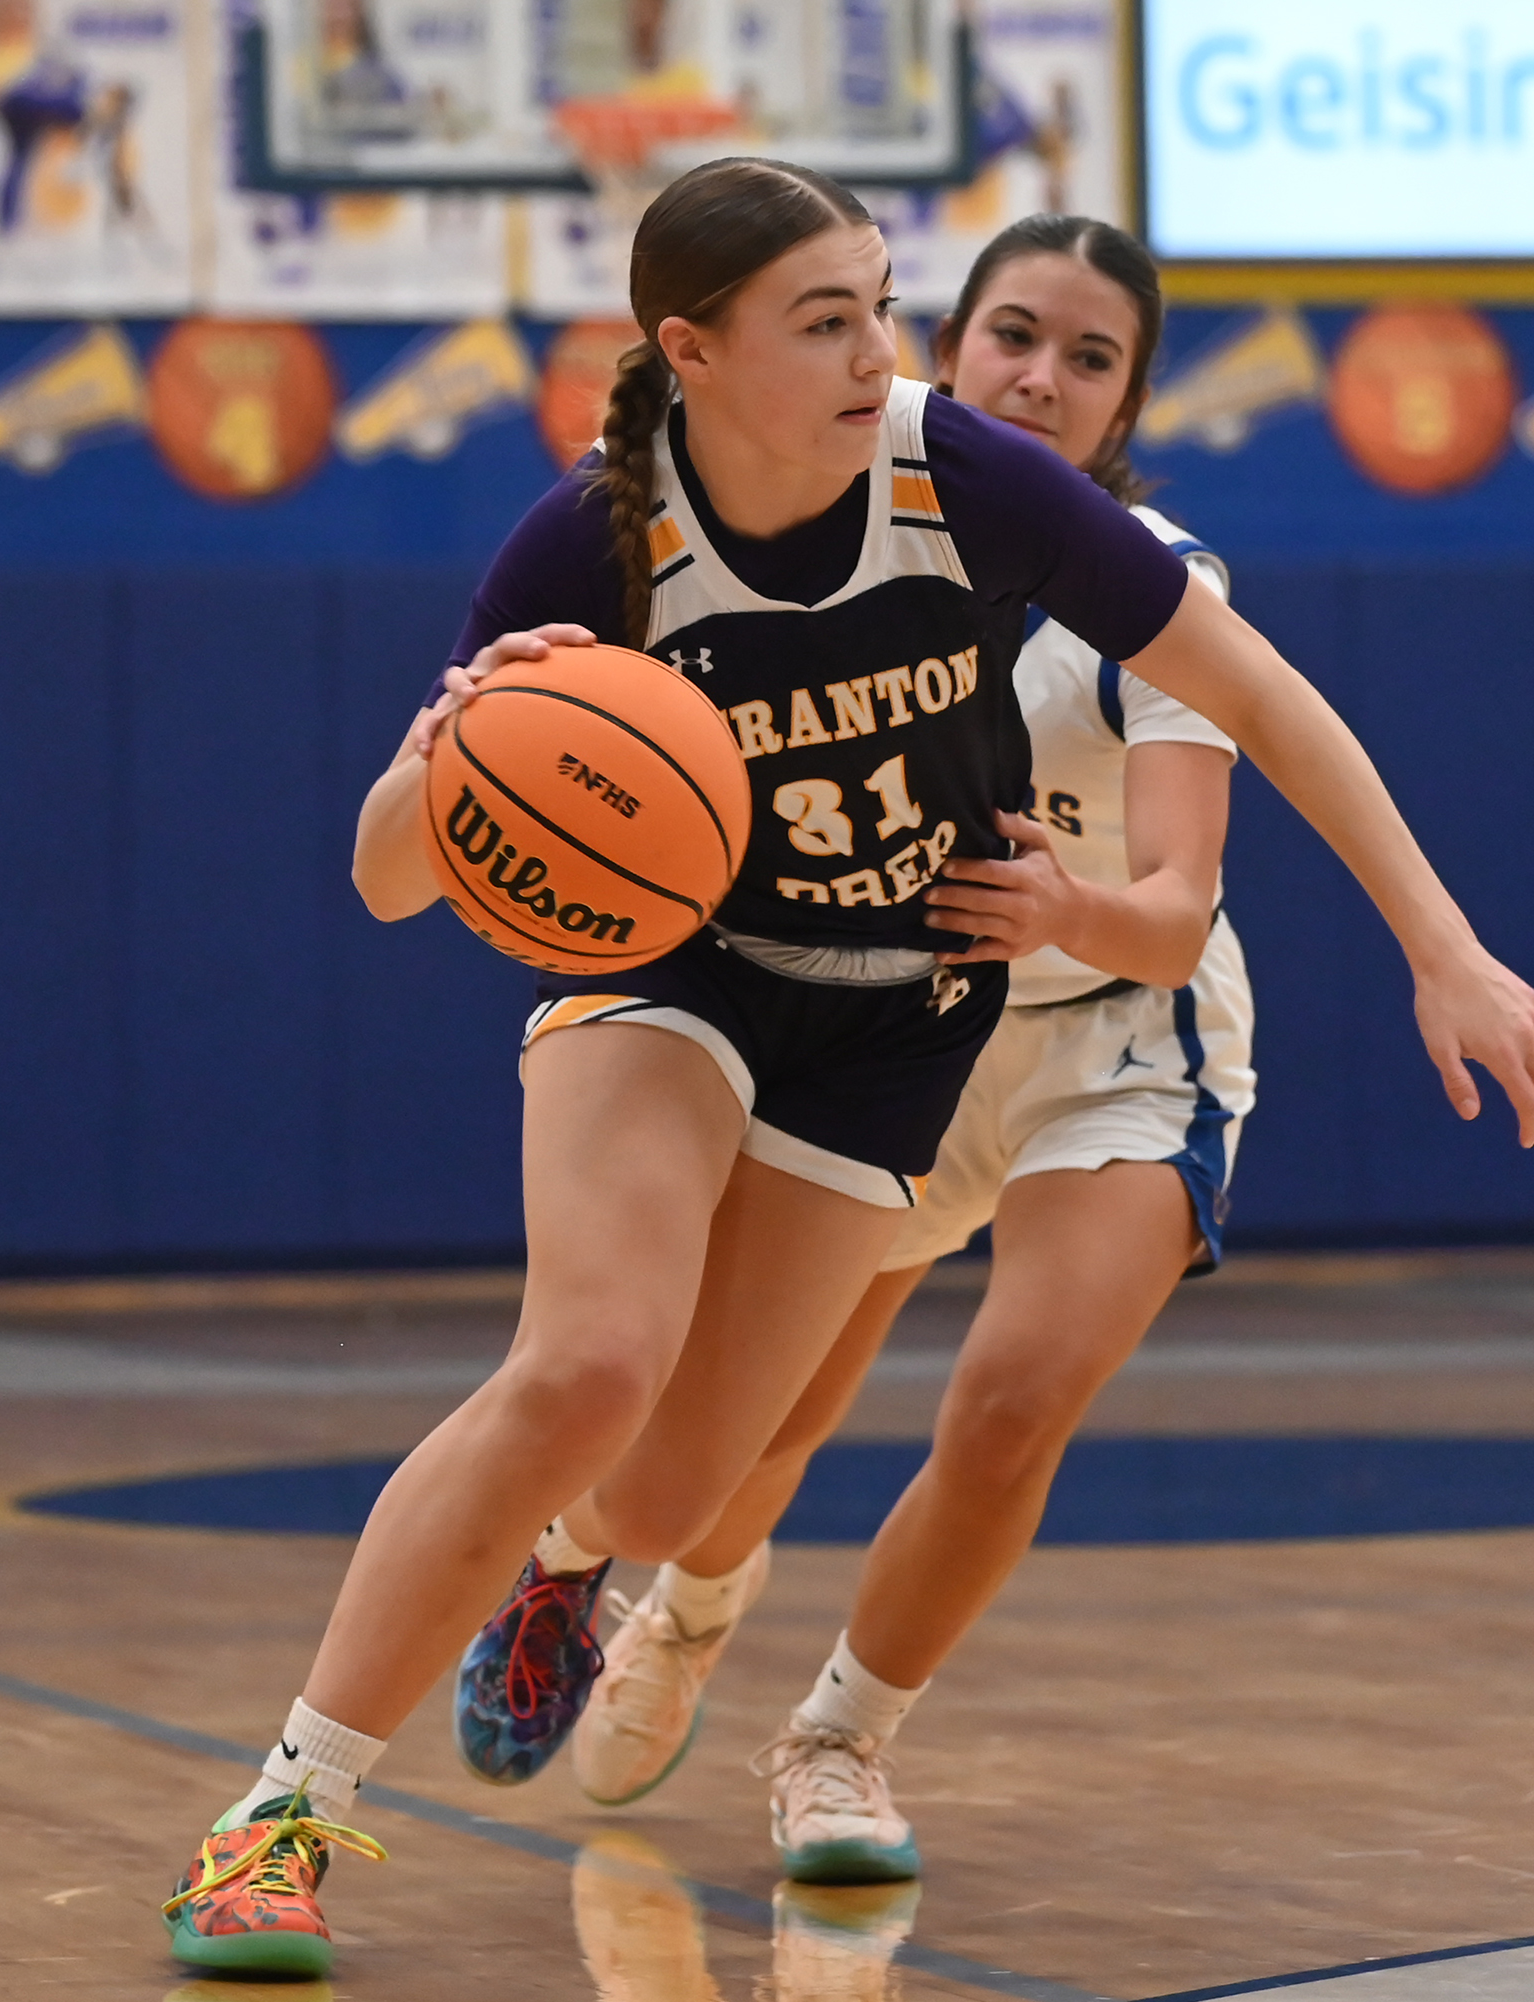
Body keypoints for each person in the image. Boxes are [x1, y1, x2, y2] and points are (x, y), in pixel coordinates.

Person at [161, 158, 1534, 1980]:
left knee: (670, 1500)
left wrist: (1443, 947)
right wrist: (450, 745)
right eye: (825, 320)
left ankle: (569, 1562)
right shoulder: (591, 540)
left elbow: (1260, 690)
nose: (875, 354)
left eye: (884, 309)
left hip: (897, 1013)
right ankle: (276, 1821)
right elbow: (383, 880)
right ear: (692, 349)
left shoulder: (962, 480)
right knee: (586, 1361)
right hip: (676, 971)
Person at [560, 212, 1277, 1890]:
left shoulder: (1156, 588)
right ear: (947, 346)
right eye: (1015, 333)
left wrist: (1068, 908)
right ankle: (692, 1607)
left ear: (1126, 405)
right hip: (900, 1027)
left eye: (1091, 358)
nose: (1042, 377)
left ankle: (838, 1740)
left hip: (1113, 1035)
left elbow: (1174, 915)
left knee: (1014, 1401)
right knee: (758, 1430)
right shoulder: (840, 527)